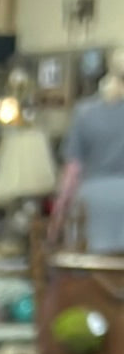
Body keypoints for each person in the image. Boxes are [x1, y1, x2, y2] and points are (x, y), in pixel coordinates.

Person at [51, 49, 124, 252]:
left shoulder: (85, 113)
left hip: (93, 203)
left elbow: (72, 171)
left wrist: (58, 217)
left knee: (91, 272)